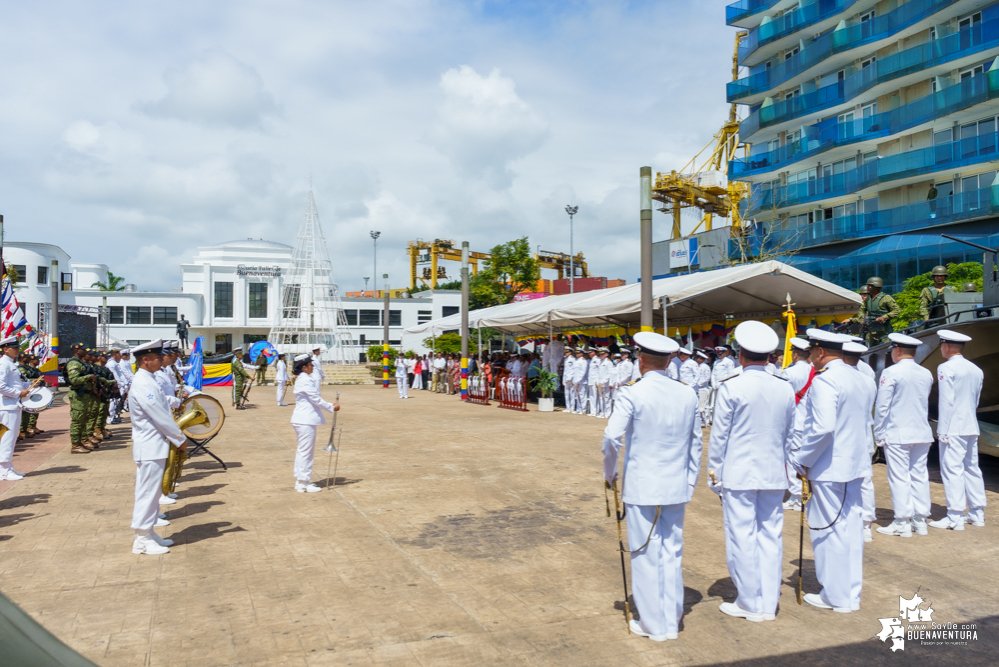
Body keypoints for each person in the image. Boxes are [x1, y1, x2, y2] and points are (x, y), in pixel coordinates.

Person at [602, 332, 702, 641]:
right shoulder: (687, 393)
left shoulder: (633, 392)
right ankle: (671, 620)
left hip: (643, 485)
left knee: (644, 552)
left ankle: (653, 624)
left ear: (640, 360)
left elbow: (611, 437)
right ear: (670, 360)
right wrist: (689, 481)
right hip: (676, 485)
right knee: (671, 551)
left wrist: (609, 474)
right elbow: (696, 444)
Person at [708, 321, 795, 623]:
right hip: (773, 473)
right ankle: (768, 603)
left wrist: (714, 474)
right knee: (771, 536)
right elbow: (789, 435)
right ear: (770, 356)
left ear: (740, 355)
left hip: (739, 473)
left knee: (742, 536)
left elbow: (719, 437)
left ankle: (748, 601)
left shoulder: (732, 386)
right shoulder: (784, 387)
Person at [789, 329, 876, 614]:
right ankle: (850, 594)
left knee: (827, 532)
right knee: (850, 531)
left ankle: (835, 596)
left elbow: (823, 428)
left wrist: (803, 460)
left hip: (829, 468)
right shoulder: (860, 378)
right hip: (855, 465)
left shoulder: (826, 381)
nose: (811, 356)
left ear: (821, 352)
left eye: (812, 351)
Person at [128, 339, 186, 555]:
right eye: (156, 357)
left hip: (155, 444)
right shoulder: (143, 382)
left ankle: (148, 532)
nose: (161, 359)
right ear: (145, 360)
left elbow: (162, 402)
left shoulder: (149, 379)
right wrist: (179, 437)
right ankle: (141, 539)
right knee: (147, 493)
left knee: (152, 493)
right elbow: (159, 414)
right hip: (150, 445)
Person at [874, 333, 934, 538]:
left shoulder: (891, 372)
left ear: (897, 350)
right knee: (919, 475)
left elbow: (882, 406)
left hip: (898, 432)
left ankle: (902, 521)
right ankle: (920, 520)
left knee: (899, 478)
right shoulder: (926, 372)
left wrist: (878, 433)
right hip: (922, 432)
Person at [929, 330, 986, 530]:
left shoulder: (945, 368)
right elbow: (976, 400)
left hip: (953, 426)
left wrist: (942, 429)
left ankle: (955, 516)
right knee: (972, 469)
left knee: (952, 470)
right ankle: (977, 513)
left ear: (946, 346)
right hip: (971, 424)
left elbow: (946, 400)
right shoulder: (976, 369)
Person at [842, 341, 878, 542]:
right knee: (865, 480)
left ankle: (853, 522)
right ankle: (866, 525)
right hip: (864, 435)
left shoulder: (835, 378)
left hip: (846, 437)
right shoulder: (868, 378)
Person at [290, 354, 339, 493]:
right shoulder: (305, 380)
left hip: (303, 419)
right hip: (305, 419)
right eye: (310, 365)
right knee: (305, 452)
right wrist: (331, 407)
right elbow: (316, 399)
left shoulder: (303, 378)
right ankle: (303, 482)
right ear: (304, 367)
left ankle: (301, 481)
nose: (313, 366)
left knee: (303, 451)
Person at [0, 337, 42, 478]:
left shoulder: (10, 364)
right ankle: (4, 471)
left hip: (11, 405)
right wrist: (18, 393)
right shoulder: (3, 364)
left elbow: (14, 384)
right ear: (6, 349)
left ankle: (7, 467)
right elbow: (1, 386)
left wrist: (29, 385)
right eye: (15, 348)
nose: (18, 350)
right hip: (7, 406)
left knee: (9, 438)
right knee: (7, 438)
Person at [781, 338, 813, 511]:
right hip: (811, 422)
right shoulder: (815, 371)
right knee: (808, 458)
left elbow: (783, 398)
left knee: (792, 459)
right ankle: (807, 491)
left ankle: (796, 496)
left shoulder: (789, 373)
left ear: (794, 355)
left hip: (794, 421)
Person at [66, 343, 98, 452]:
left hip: (84, 395)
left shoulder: (81, 363)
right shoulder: (73, 363)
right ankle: (75, 445)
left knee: (84, 419)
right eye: (83, 349)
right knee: (77, 420)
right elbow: (74, 380)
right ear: (77, 351)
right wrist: (89, 377)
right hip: (78, 395)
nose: (85, 351)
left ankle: (81, 441)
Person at [852, 277, 900, 345]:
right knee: (869, 349)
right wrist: (862, 318)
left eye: (869, 286)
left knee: (885, 348)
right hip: (871, 331)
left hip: (883, 330)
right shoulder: (869, 298)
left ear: (874, 286)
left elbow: (897, 310)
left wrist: (884, 317)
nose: (867, 287)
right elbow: (862, 309)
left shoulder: (886, 298)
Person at [695, 351, 712, 425]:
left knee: (704, 405)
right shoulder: (696, 366)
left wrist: (699, 384)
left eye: (697, 358)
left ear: (701, 359)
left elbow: (707, 378)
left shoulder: (705, 367)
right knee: (698, 404)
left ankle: (706, 420)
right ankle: (700, 420)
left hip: (703, 388)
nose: (695, 359)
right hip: (697, 388)